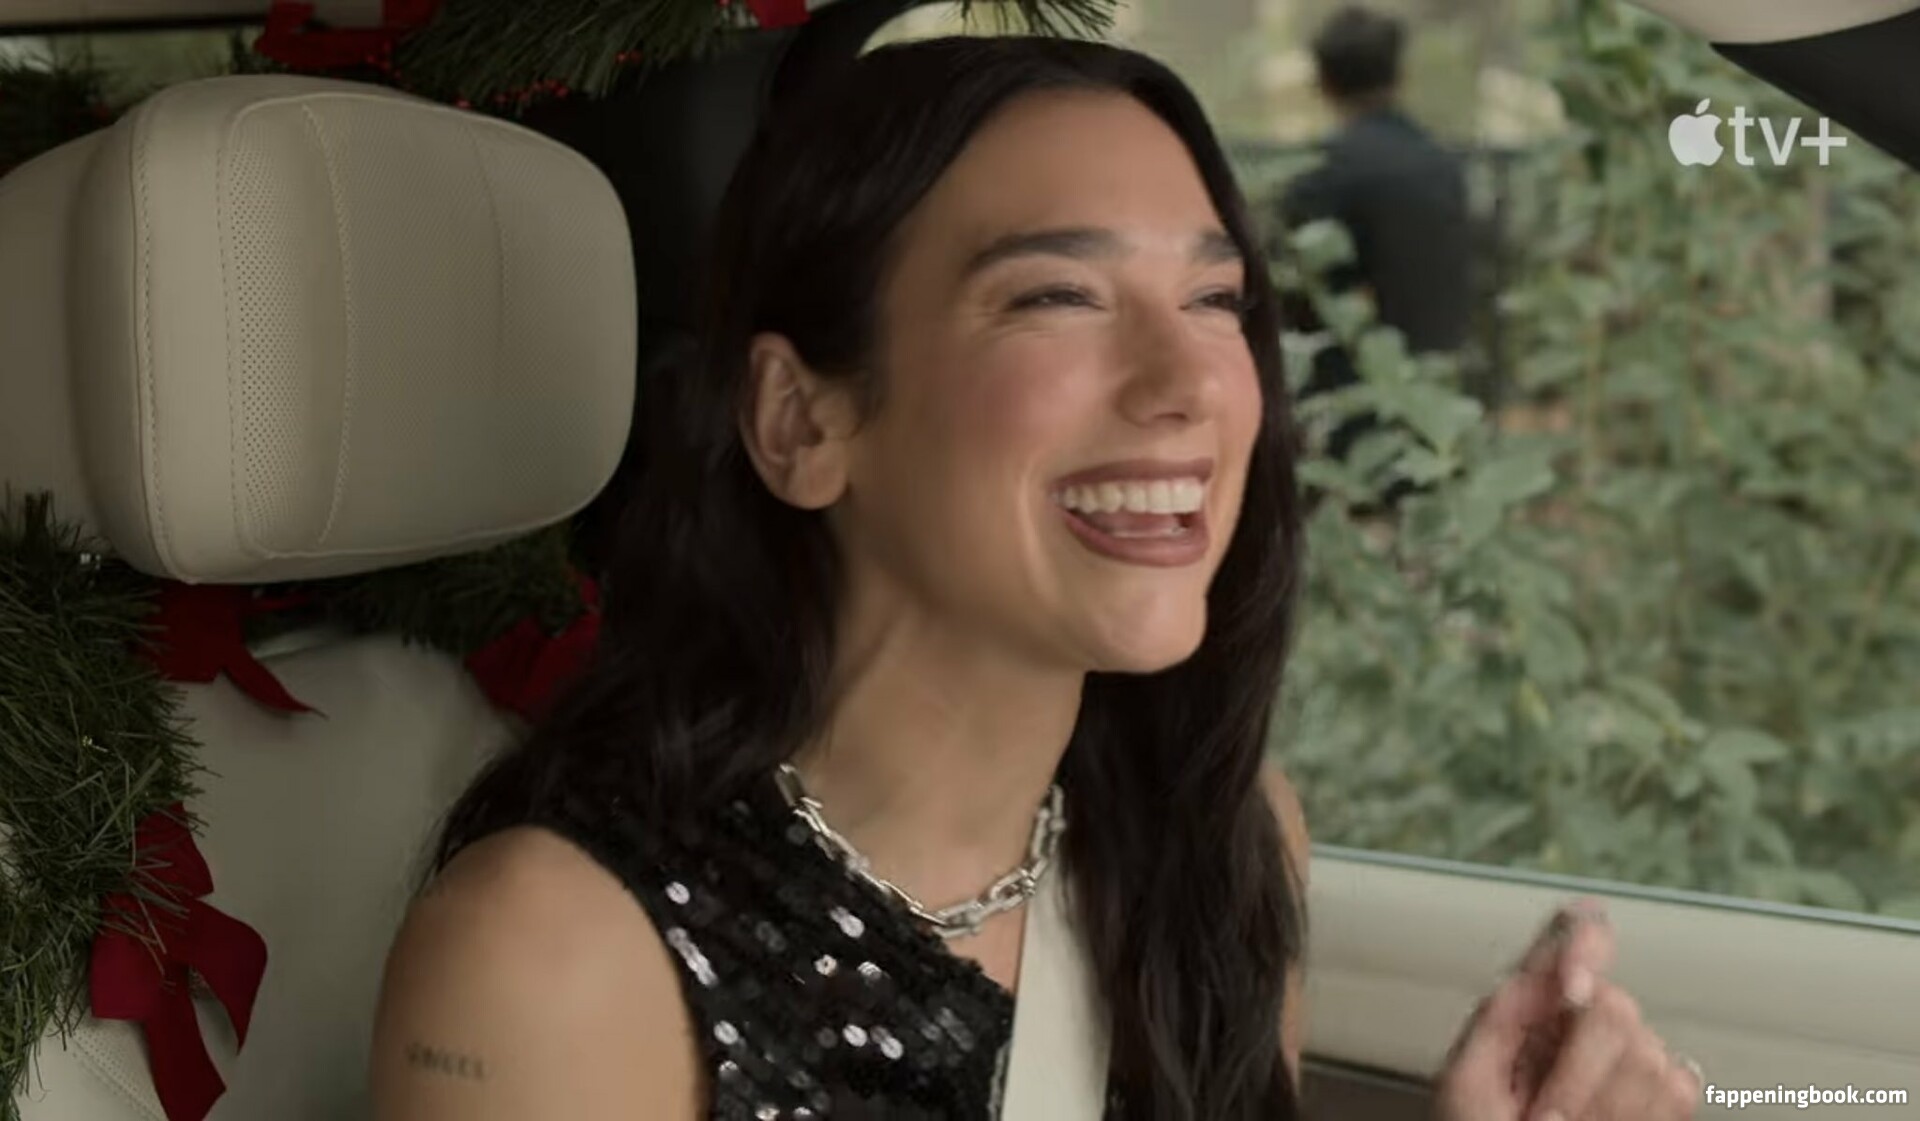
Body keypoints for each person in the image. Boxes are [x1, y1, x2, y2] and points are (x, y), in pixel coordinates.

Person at [368, 35, 1702, 1121]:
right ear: (802, 422)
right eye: (1058, 296)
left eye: (1217, 301)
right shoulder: (552, 956)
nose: (1190, 386)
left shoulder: (1217, 840)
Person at [1282, 5, 1474, 471]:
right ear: (1400, 75)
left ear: (1323, 82)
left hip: (1354, 405)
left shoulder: (1319, 174)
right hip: (1440, 399)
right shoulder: (1444, 167)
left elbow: (1302, 293)